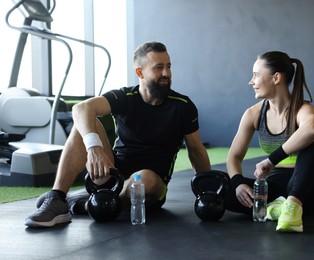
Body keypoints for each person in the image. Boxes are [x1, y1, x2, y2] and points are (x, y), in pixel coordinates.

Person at [25, 41, 211, 228]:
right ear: (140, 72)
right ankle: (57, 198)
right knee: (86, 124)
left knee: (144, 178)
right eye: (159, 68)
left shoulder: (182, 106)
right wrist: (94, 147)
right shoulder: (125, 97)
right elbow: (82, 108)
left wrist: (208, 191)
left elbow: (196, 150)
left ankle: (91, 203)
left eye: (168, 67)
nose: (166, 74)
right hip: (113, 175)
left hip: (152, 183)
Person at [225, 51, 314, 233]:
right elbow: (233, 157)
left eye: (256, 75)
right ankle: (278, 208)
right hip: (274, 189)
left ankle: (293, 204)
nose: (251, 81)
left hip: (309, 192)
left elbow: (313, 128)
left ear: (276, 78)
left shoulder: (303, 110)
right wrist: (238, 184)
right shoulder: (254, 114)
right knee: (212, 185)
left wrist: (271, 159)